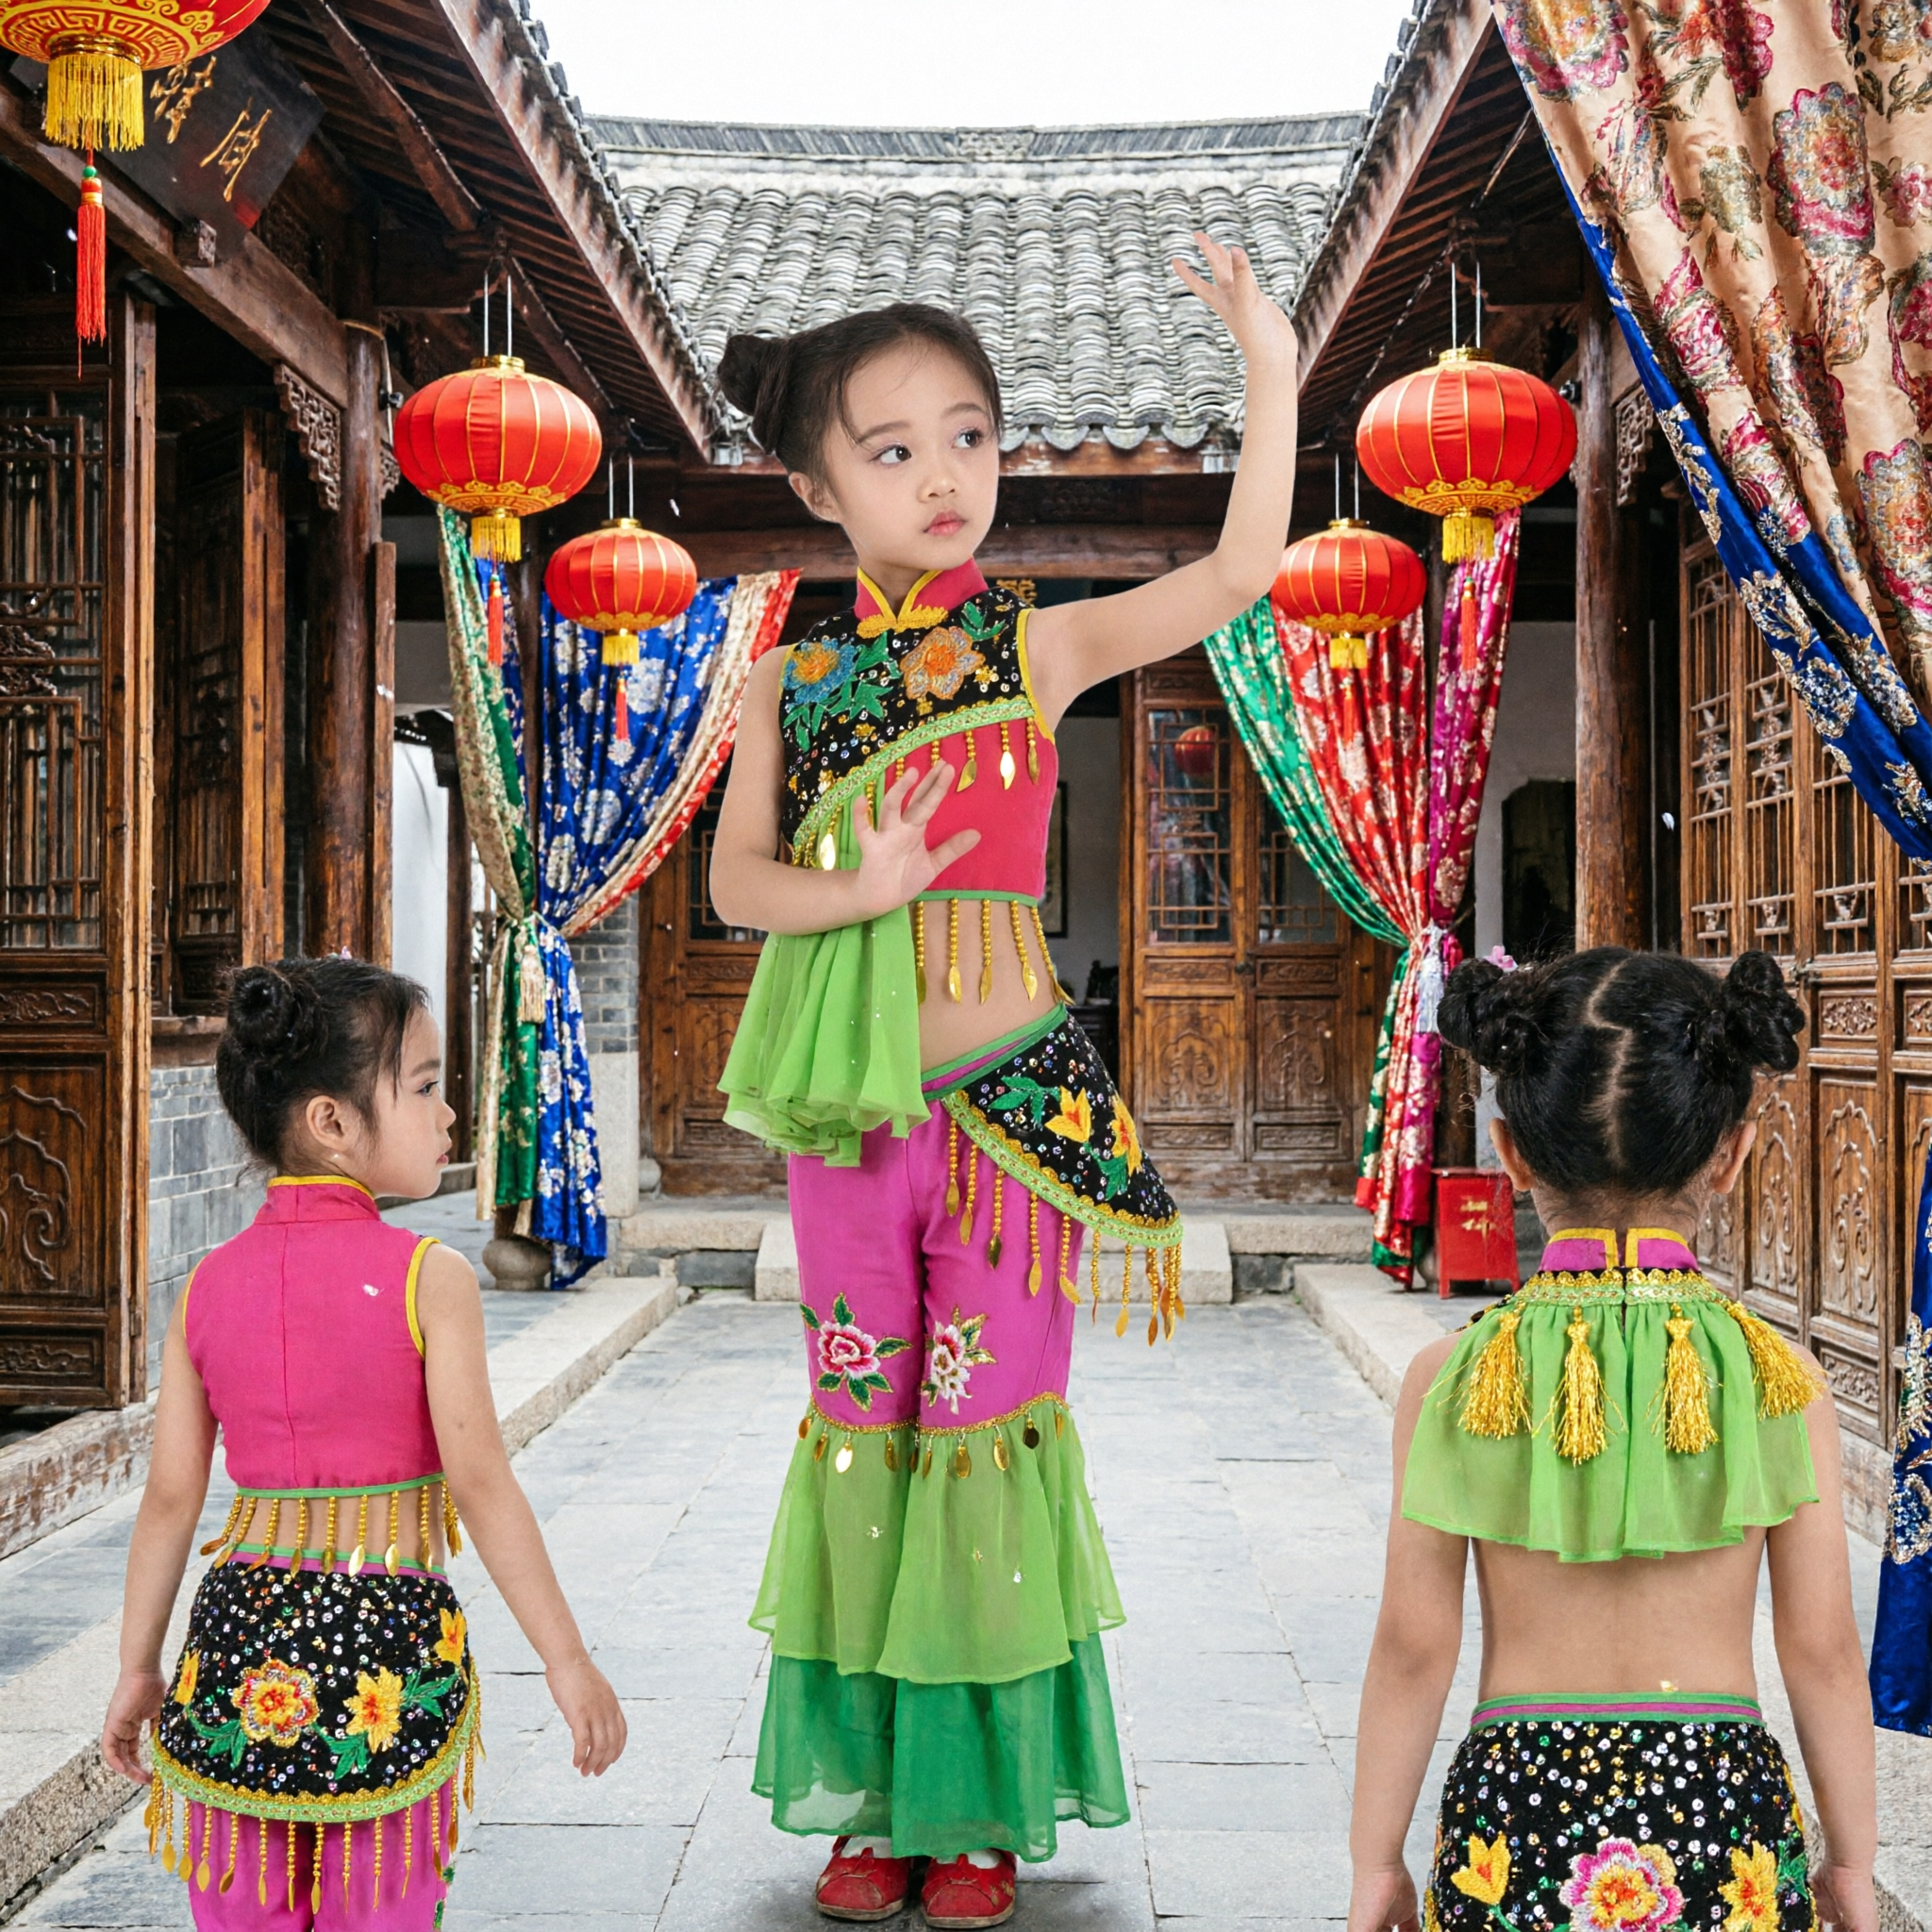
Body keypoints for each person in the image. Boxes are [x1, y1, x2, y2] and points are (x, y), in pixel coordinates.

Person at [707, 240, 1299, 1925]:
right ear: (817, 487)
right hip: (853, 1120)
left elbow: (1243, 567)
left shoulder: (1040, 648)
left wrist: (1266, 359)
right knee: (862, 1438)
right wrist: (867, 894)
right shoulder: (788, 685)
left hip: (1016, 1126)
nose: (941, 474)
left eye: (966, 434)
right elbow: (741, 888)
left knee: (979, 1443)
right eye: (889, 450)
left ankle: (971, 1814)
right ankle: (872, 1804)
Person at [1347, 948, 1878, 1932]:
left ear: (1510, 1152)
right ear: (1730, 1152)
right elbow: (1820, 1651)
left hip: (1515, 1817)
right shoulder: (1780, 1381)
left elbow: (1414, 1646)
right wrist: (1848, 1862)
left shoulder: (1449, 1379)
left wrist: (1373, 1863)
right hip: (1725, 1818)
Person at [100, 958, 625, 1931]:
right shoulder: (431, 1276)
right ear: (332, 1123)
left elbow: (171, 1499)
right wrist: (567, 1658)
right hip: (385, 1646)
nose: (449, 1114)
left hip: (235, 1649)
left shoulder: (208, 1286)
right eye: (425, 1085)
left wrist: (138, 1667)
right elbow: (481, 1483)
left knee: (243, 1911)